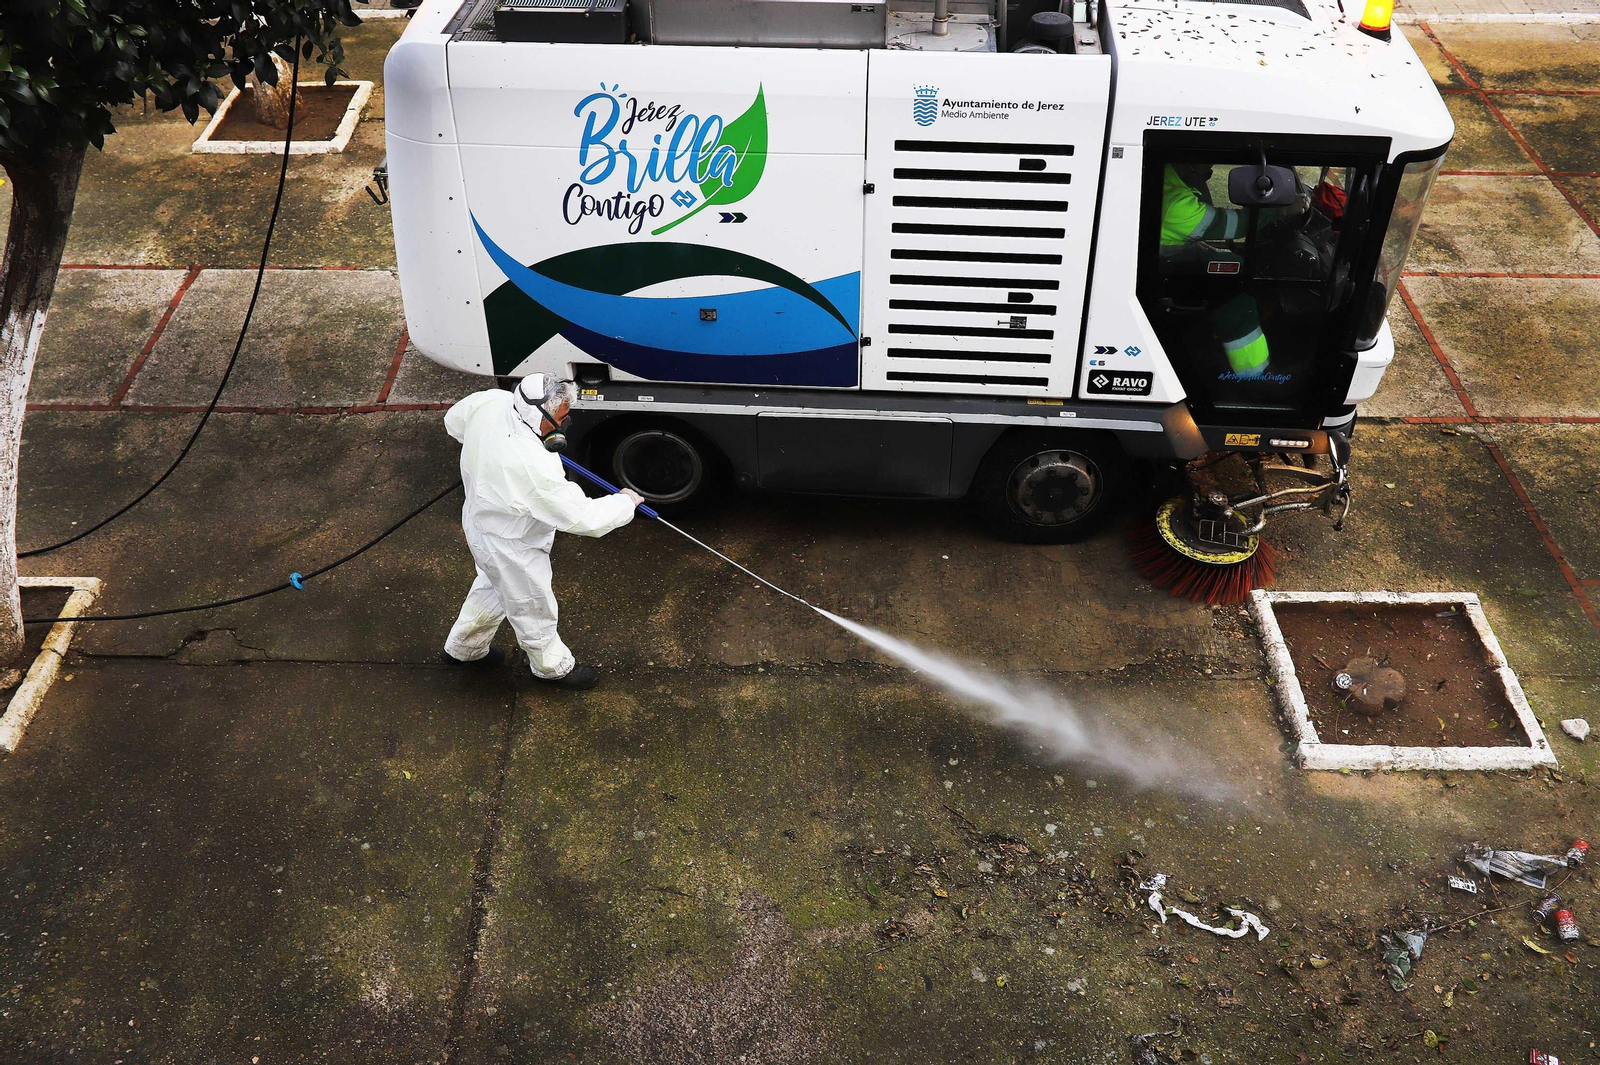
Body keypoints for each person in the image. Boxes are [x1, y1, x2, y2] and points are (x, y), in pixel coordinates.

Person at [441, 374, 642, 690]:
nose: (565, 424)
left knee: (493, 584)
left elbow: (454, 423)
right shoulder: (531, 466)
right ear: (538, 414)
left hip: (481, 522)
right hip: (513, 543)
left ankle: (464, 648)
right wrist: (625, 503)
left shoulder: (492, 402)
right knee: (532, 604)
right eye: (561, 418)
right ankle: (552, 668)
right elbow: (584, 519)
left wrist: (485, 451)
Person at [1159, 163, 1271, 380]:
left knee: (1233, 263)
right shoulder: (1176, 203)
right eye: (1205, 166)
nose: (1208, 170)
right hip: (1163, 277)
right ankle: (1255, 377)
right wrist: (1278, 211)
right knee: (1238, 303)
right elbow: (1234, 225)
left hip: (1167, 264)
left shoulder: (1171, 179)